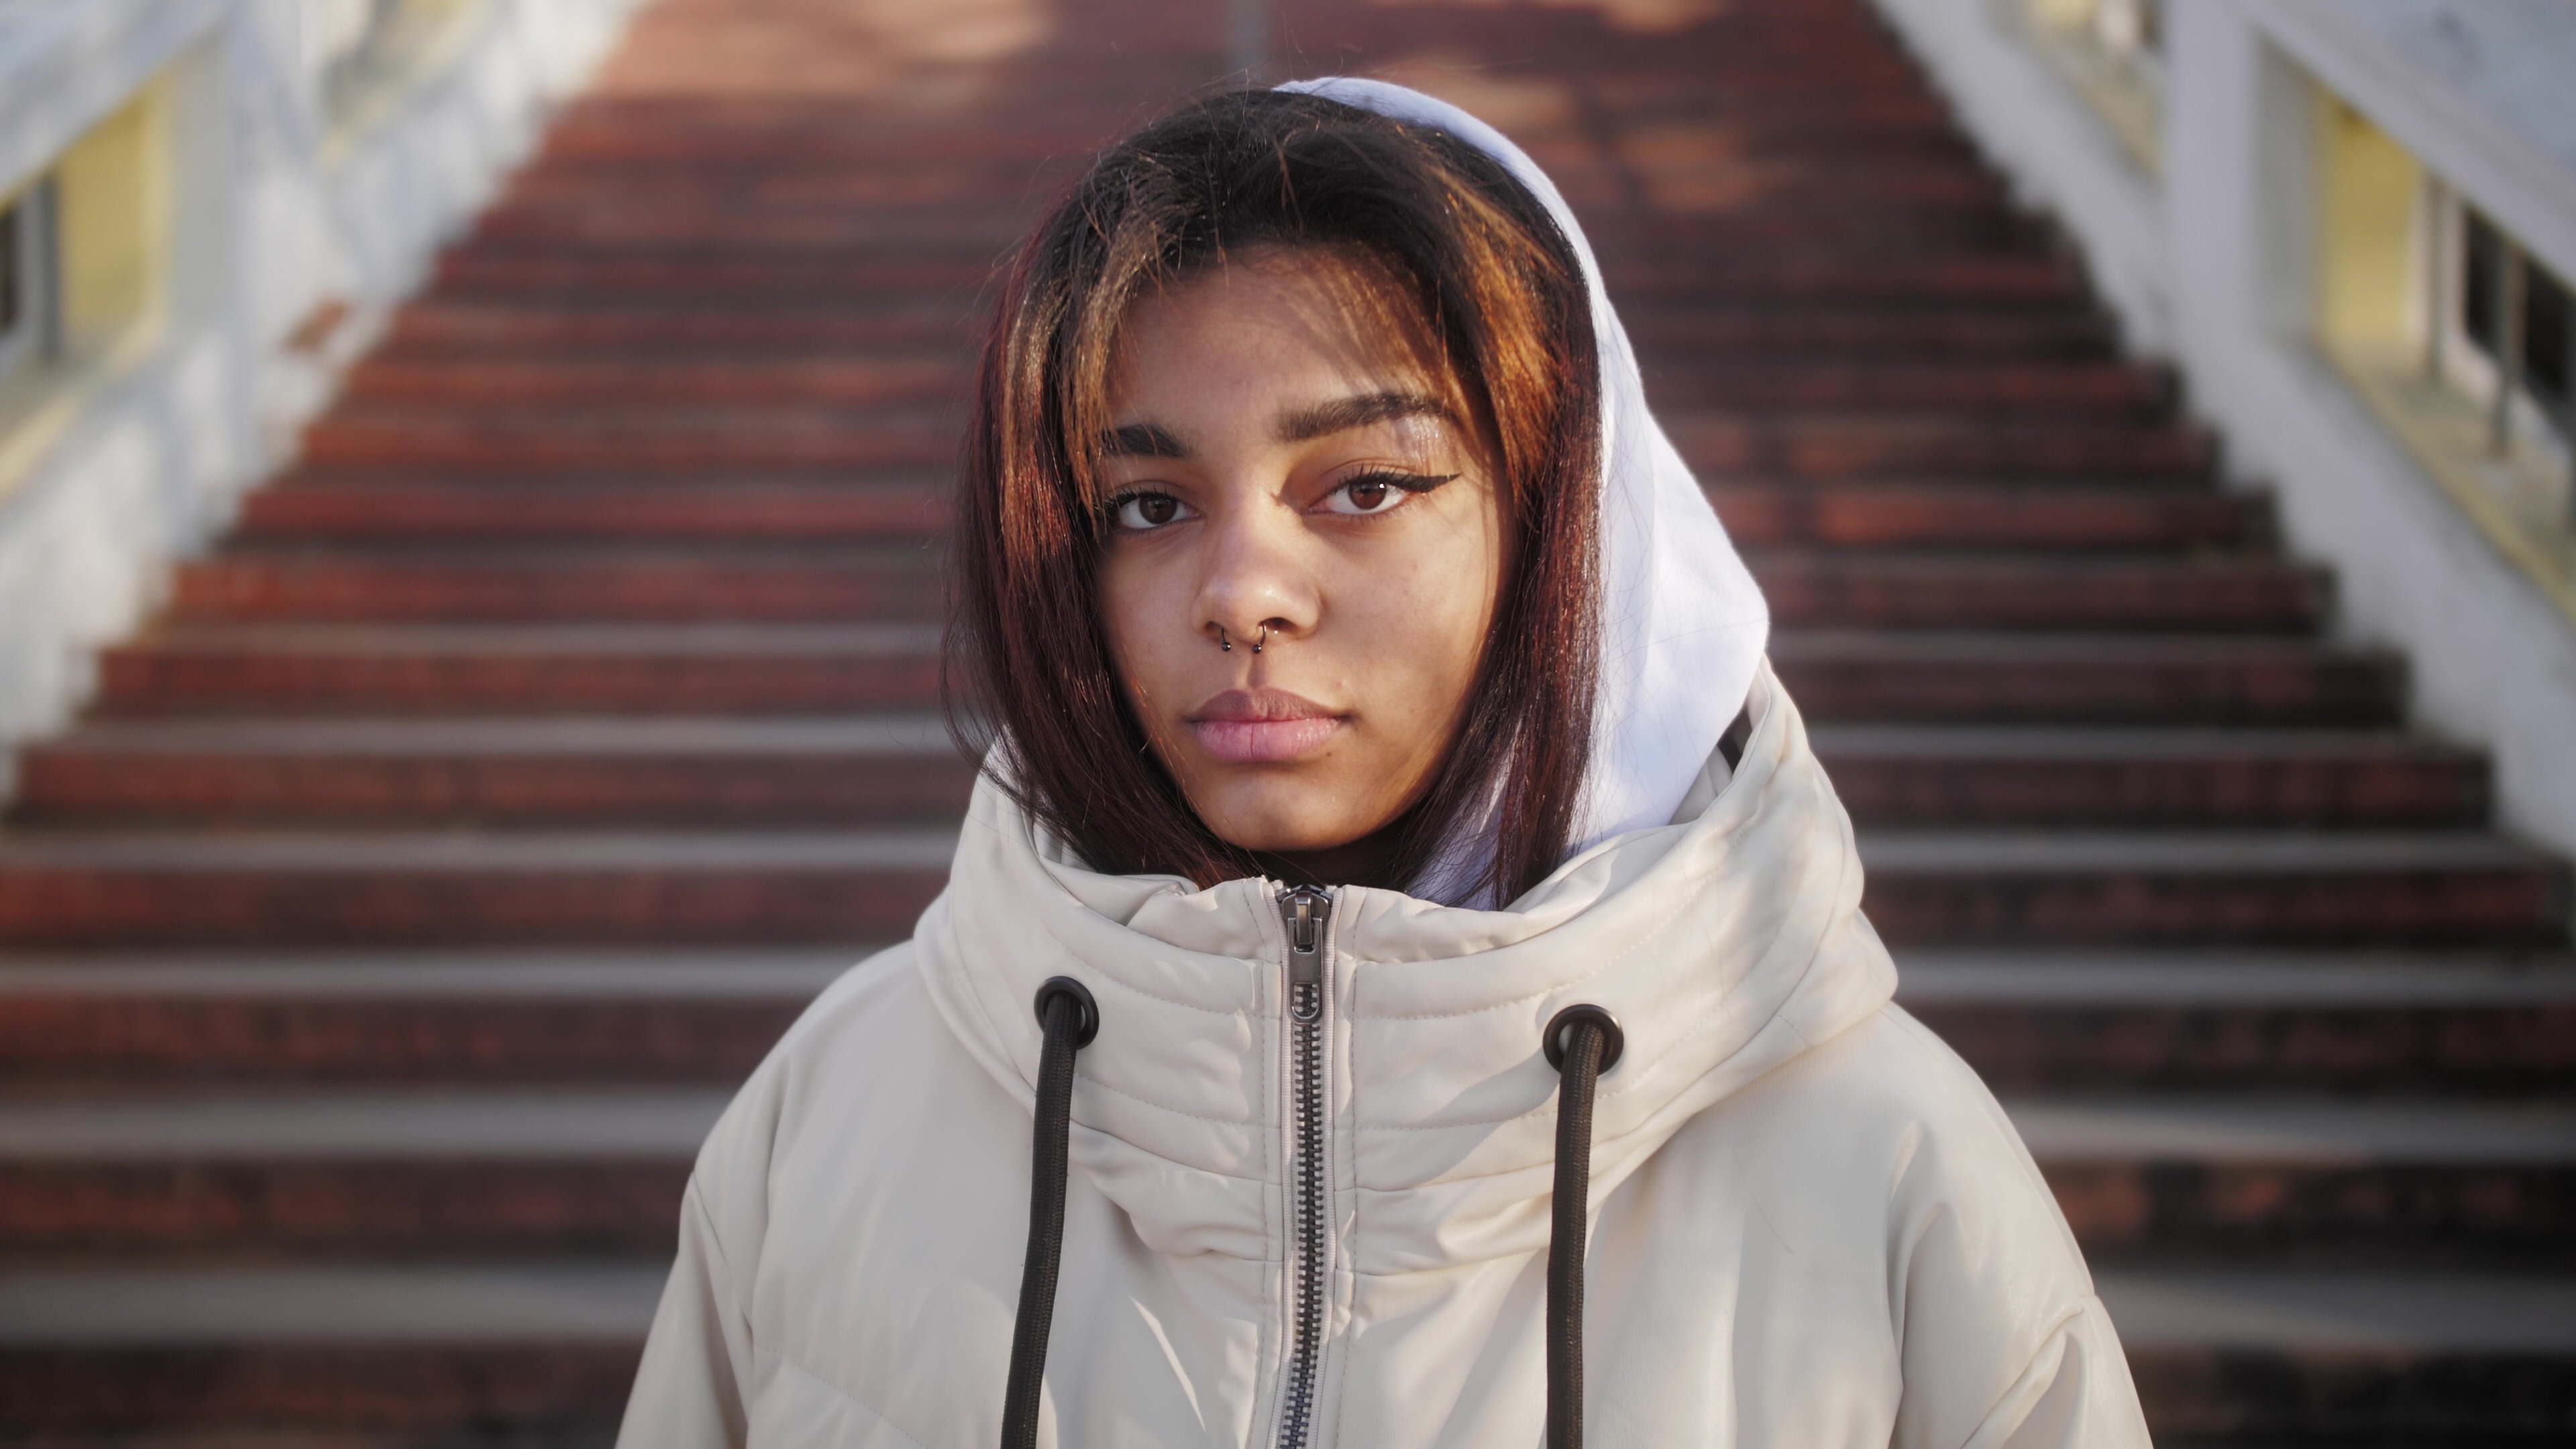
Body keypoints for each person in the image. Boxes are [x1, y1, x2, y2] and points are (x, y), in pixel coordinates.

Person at [616, 80, 2152, 1448]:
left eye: (1362, 485)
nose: (1244, 592)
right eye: (1148, 504)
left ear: (1569, 528)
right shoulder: (835, 1118)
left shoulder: (1886, 1173)